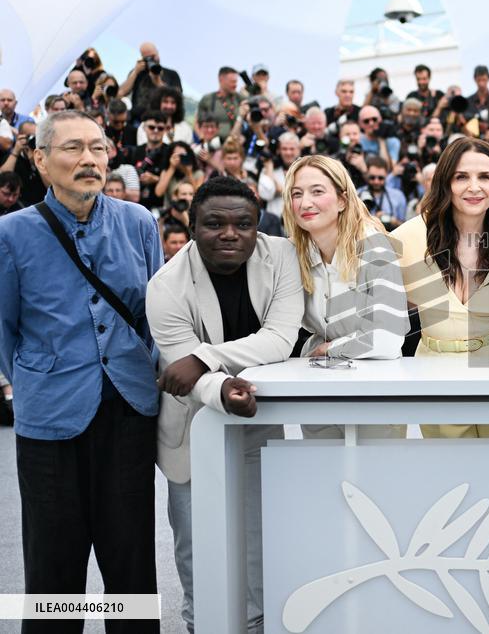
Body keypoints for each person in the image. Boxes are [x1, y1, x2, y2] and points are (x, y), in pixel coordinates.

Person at [0, 110, 162, 633]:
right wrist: (29, 381)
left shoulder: (138, 222)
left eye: (97, 147)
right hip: (50, 416)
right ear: (41, 161)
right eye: (72, 148)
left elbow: (153, 316)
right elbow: (3, 327)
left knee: (131, 562)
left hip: (129, 409)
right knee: (53, 565)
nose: (88, 159)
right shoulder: (11, 233)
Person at [146, 176, 303, 634]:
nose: (230, 233)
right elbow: (180, 377)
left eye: (243, 223)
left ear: (258, 226)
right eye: (214, 223)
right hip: (192, 425)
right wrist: (217, 388)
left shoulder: (284, 257)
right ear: (192, 226)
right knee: (197, 542)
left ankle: (254, 626)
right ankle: (201, 621)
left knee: (257, 539)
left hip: (257, 420)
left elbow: (280, 338)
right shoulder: (165, 287)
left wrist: (203, 358)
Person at [391, 137, 489, 439]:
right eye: (461, 177)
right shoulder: (405, 239)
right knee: (451, 480)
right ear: (445, 182)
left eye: (484, 177)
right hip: (433, 373)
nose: (474, 187)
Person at [283, 155, 409, 440]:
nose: (305, 203)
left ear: (342, 200)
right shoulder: (296, 251)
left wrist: (328, 348)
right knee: (323, 478)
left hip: (374, 392)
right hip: (319, 386)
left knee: (374, 481)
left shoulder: (373, 245)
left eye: (317, 191)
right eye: (296, 194)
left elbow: (387, 340)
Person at [118, 41, 183, 123]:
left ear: (158, 54)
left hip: (162, 120)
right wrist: (135, 72)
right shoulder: (137, 73)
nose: (151, 60)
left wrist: (158, 82)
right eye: (147, 58)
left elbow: (177, 97)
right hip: (138, 120)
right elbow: (120, 93)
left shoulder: (172, 74)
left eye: (153, 56)